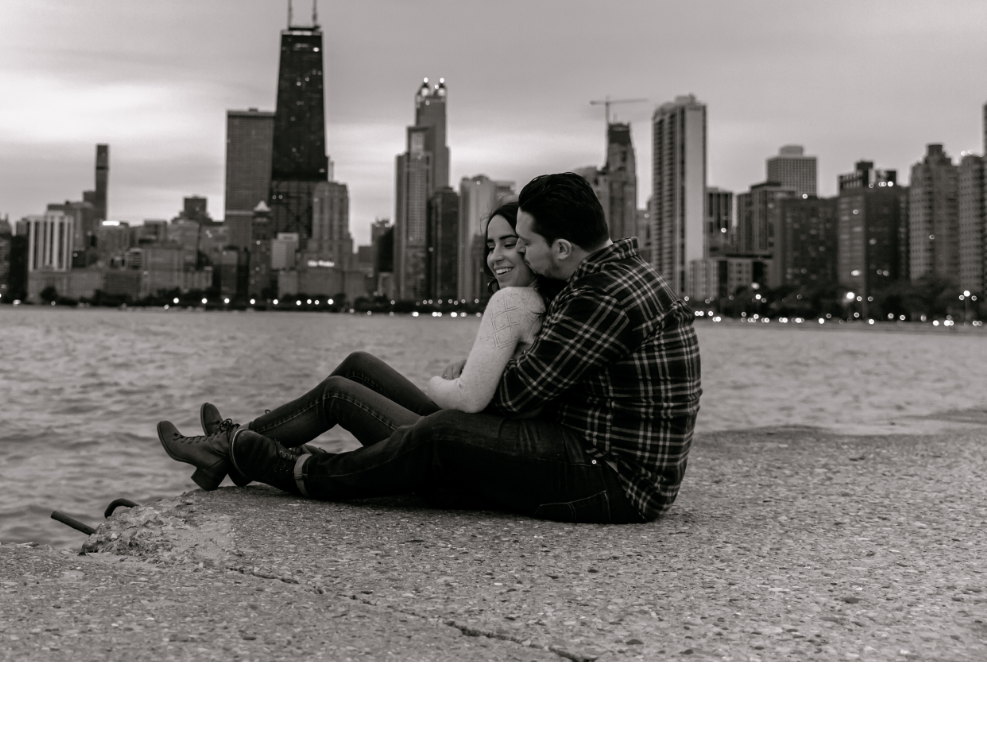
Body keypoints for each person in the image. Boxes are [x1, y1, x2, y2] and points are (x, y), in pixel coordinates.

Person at [160, 172, 702, 523]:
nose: (517, 254)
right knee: (363, 373)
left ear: (561, 247)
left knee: (442, 431)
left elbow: (511, 398)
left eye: (524, 243)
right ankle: (231, 446)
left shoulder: (602, 295)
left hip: (615, 479)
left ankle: (279, 463)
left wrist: (458, 380)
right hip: (580, 446)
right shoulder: (601, 278)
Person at [157, 203, 546, 492]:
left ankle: (225, 447)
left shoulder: (514, 302)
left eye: (510, 244)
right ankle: (232, 449)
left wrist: (440, 382)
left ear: (533, 247)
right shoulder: (538, 302)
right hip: (466, 432)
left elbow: (470, 398)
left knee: (337, 394)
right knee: (359, 364)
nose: (496, 256)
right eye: (491, 245)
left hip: (460, 447)